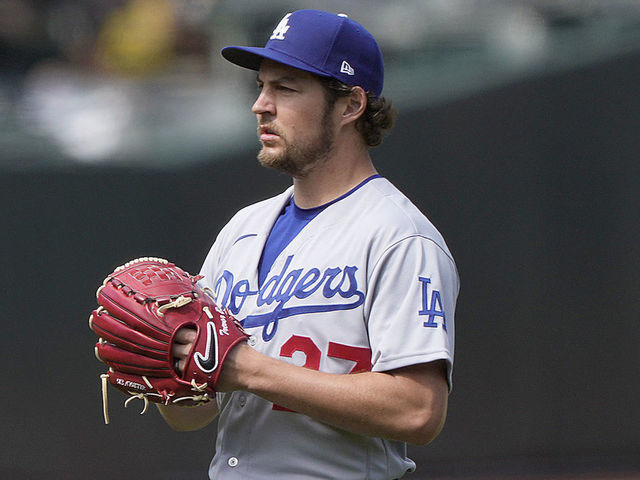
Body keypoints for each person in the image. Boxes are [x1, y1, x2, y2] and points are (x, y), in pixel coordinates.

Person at [158, 9, 459, 480]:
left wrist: (246, 369)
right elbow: (192, 415)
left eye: (285, 88)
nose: (261, 104)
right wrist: (167, 369)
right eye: (261, 86)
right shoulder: (242, 228)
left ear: (350, 106)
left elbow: (418, 411)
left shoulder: (399, 236)